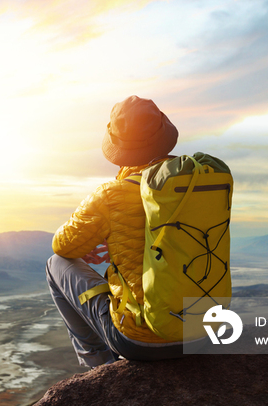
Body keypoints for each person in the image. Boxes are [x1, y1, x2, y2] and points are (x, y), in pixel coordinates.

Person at [46, 95, 190, 368]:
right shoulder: (198, 186)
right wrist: (119, 244)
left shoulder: (112, 195)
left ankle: (99, 368)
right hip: (204, 331)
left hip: (142, 341)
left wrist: (104, 232)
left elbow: (62, 246)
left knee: (55, 263)